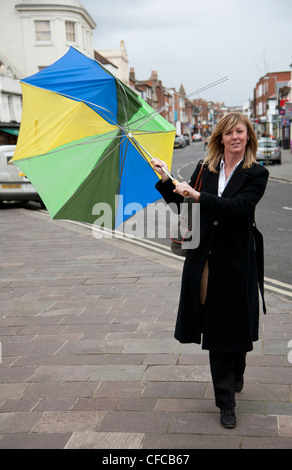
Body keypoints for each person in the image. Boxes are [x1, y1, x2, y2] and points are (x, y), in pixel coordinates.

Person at [151, 112, 269, 429]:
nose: (235, 137)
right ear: (220, 137)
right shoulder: (206, 168)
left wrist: (199, 195)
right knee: (218, 331)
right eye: (229, 132)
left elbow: (239, 209)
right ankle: (225, 403)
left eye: (240, 131)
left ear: (248, 137)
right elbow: (184, 205)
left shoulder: (257, 173)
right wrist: (165, 179)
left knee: (237, 331)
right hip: (205, 260)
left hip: (238, 261)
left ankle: (238, 366)